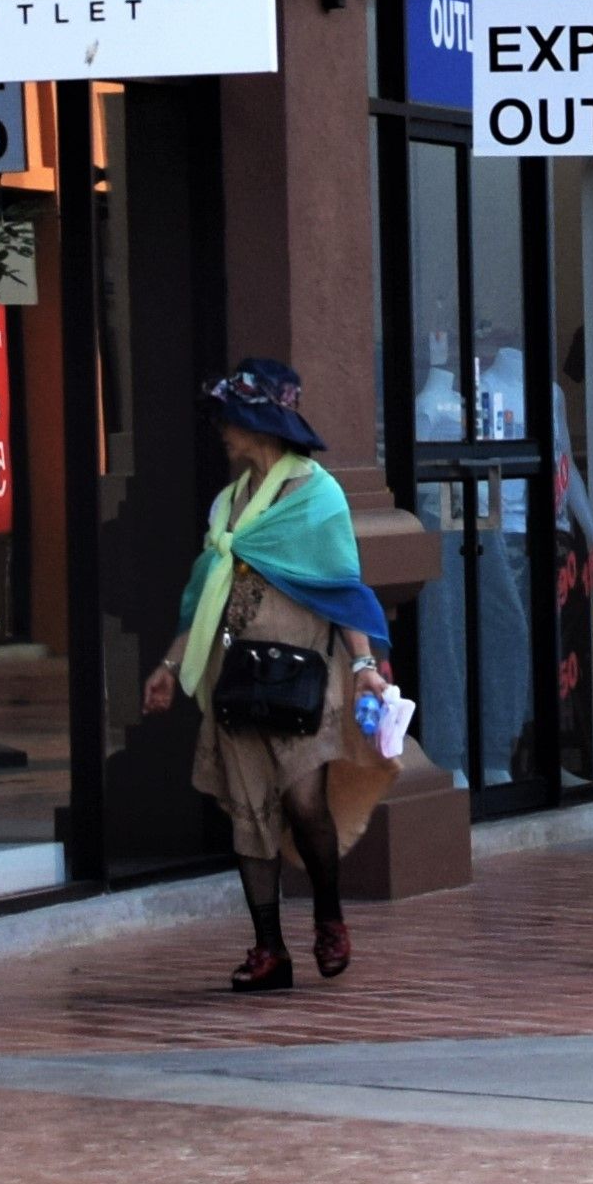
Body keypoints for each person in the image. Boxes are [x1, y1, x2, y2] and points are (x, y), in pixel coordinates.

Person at [140, 360, 392, 992]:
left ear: (262, 424)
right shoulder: (228, 503)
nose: (222, 430)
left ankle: (329, 918)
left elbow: (342, 589)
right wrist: (171, 665)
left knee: (305, 802)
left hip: (301, 679)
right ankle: (268, 948)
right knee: (248, 812)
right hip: (234, 680)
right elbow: (206, 596)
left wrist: (363, 666)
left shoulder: (316, 494)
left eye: (231, 418)